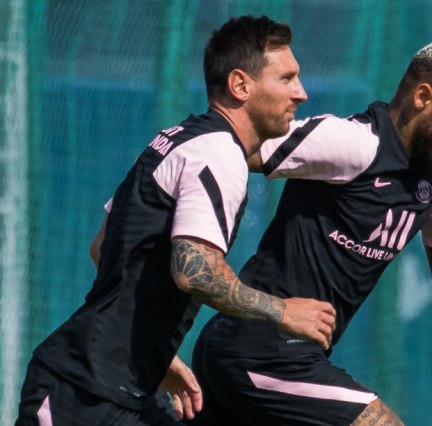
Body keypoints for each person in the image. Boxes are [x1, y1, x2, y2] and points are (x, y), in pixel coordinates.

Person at [15, 15, 337, 426]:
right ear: (240, 85)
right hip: (82, 393)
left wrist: (158, 353)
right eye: (287, 78)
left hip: (120, 387)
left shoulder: (181, 138)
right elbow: (194, 271)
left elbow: (102, 246)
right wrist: (283, 312)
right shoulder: (219, 154)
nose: (301, 93)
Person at [188, 40, 432, 425]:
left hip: (279, 356)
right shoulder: (352, 143)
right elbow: (237, 145)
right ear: (423, 97)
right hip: (261, 350)